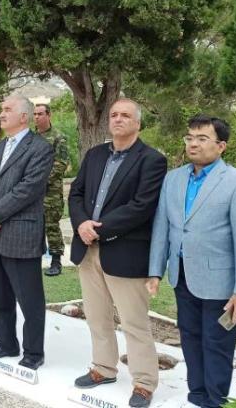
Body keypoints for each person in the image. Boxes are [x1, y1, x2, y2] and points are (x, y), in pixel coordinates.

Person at [148, 116, 236, 408]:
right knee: (190, 338)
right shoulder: (173, 179)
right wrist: (155, 271)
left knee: (217, 344)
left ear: (221, 146)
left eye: (202, 138)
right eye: (189, 138)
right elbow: (162, 227)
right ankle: (197, 395)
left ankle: (215, 401)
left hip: (221, 284)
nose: (193, 144)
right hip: (182, 276)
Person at [68, 98, 167, 408]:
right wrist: (81, 223)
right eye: (114, 115)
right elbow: (76, 194)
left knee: (133, 323)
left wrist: (98, 228)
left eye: (125, 115)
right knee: (97, 317)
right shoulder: (95, 154)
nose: (118, 119)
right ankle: (103, 368)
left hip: (125, 252)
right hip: (88, 250)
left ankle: (144, 383)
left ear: (138, 123)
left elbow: (142, 206)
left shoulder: (151, 160)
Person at [0, 96, 53, 370]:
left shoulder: (40, 148)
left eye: (7, 109)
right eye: (1, 109)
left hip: (20, 234)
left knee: (29, 299)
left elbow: (28, 188)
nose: (1, 113)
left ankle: (33, 352)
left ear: (24, 116)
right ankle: (5, 343)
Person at [33, 103, 70, 276]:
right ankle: (33, 260)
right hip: (31, 191)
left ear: (49, 115)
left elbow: (61, 164)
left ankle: (56, 262)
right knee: (33, 226)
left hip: (50, 192)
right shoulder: (31, 138)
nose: (36, 117)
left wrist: (40, 181)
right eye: (35, 114)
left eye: (40, 114)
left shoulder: (58, 137)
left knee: (51, 226)